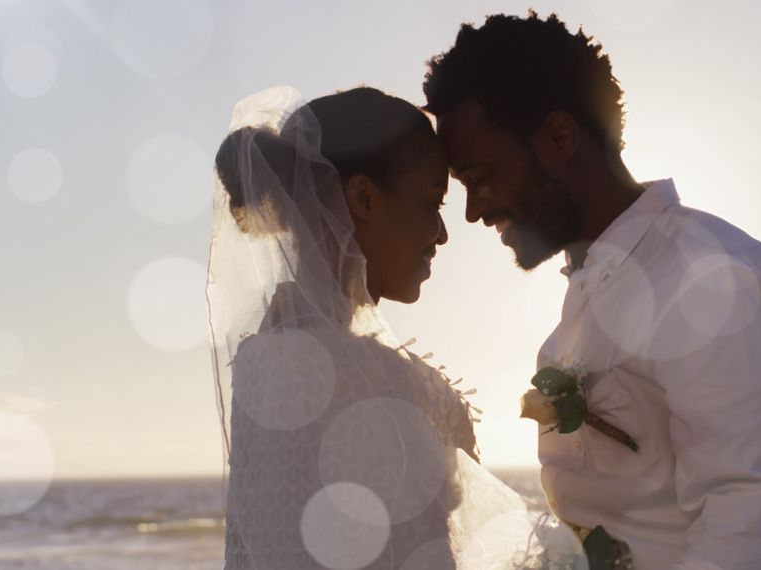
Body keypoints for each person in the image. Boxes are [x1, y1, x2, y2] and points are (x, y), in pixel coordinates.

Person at [423, 12, 761, 570]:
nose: (474, 210)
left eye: (481, 178)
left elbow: (745, 526)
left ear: (559, 137)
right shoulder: (588, 297)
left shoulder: (706, 281)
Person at [208, 85, 583, 570]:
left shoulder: (264, 359)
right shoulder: (368, 378)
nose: (442, 234)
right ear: (363, 198)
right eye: (434, 203)